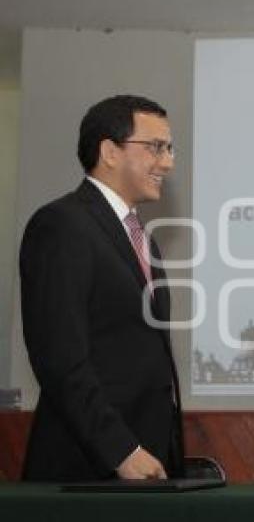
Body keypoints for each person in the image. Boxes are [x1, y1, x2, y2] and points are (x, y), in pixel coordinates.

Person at [19, 94, 184, 481]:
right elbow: (60, 358)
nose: (168, 162)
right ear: (109, 151)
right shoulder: (62, 225)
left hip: (148, 464)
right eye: (156, 147)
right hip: (87, 470)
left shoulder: (144, 239)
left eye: (169, 148)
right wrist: (122, 451)